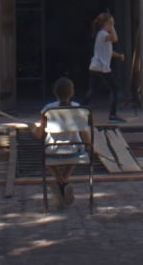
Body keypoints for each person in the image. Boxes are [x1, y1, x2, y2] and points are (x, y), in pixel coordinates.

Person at [38, 76, 91, 206]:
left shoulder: (48, 109)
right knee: (78, 153)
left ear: (55, 92)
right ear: (72, 92)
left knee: (44, 157)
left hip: (52, 149)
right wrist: (91, 146)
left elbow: (39, 134)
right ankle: (63, 182)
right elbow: (84, 133)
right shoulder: (78, 108)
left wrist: (32, 127)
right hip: (74, 149)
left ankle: (61, 182)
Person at [83, 11, 126, 123]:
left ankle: (79, 109)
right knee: (114, 89)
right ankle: (112, 115)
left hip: (95, 67)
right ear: (106, 23)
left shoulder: (101, 35)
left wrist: (118, 56)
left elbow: (108, 52)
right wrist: (112, 27)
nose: (112, 25)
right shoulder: (103, 34)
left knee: (91, 90)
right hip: (102, 68)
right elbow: (115, 38)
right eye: (110, 23)